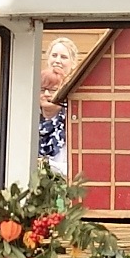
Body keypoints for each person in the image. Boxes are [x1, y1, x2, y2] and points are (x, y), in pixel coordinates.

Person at [39, 35, 79, 170]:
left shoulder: (74, 115)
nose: (57, 60)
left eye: (63, 57)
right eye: (54, 55)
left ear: (73, 63)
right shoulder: (31, 114)